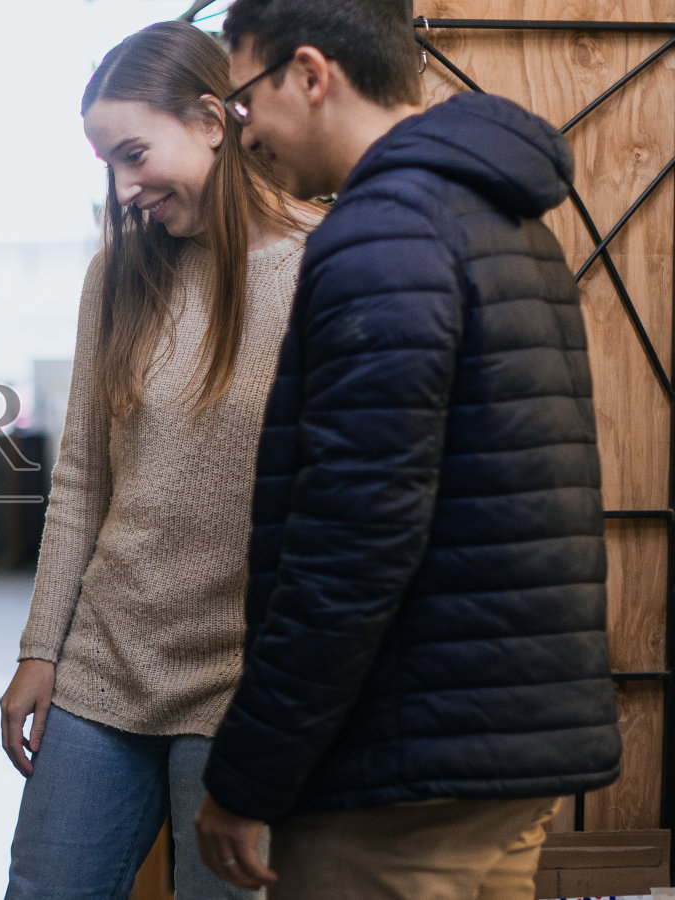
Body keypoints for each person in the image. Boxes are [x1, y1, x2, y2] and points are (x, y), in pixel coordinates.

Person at [193, 1, 623, 897]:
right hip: (507, 747)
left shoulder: (381, 235)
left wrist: (246, 777)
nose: (244, 135)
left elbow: (352, 542)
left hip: (402, 771)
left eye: (242, 104)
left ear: (311, 75)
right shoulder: (500, 213)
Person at [0, 20, 316, 900]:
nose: (125, 186)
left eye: (134, 153)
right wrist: (40, 651)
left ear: (215, 119)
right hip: (103, 672)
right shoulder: (119, 274)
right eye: (108, 163)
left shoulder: (322, 266)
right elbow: (81, 482)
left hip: (240, 689)